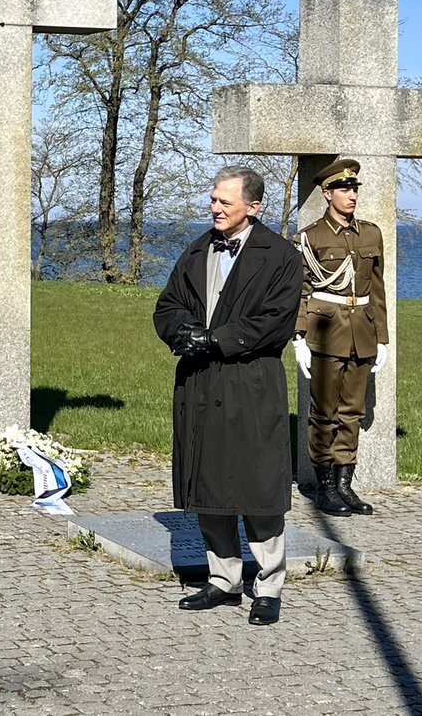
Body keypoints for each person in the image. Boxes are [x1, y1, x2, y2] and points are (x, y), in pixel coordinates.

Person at [153, 165, 302, 627]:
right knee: (209, 483)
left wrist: (216, 340)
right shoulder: (198, 249)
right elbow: (168, 305)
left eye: (225, 201)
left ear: (253, 207)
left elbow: (275, 320)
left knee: (258, 487)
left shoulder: (280, 256)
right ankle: (223, 580)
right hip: (200, 382)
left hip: (250, 382)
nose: (214, 207)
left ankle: (269, 585)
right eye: (214, 199)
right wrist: (186, 334)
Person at [291, 159, 388, 517]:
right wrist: (299, 337)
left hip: (361, 330)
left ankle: (345, 484)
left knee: (352, 412)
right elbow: (300, 291)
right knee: (324, 414)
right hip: (325, 333)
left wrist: (382, 338)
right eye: (344, 189)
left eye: (355, 189)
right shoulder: (310, 238)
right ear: (327, 194)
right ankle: (325, 487)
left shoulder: (371, 234)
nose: (352, 195)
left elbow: (376, 290)